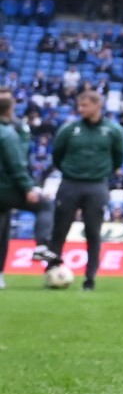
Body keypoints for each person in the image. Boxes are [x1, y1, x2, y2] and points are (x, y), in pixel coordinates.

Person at [46, 87, 123, 292]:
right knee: (59, 231)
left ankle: (90, 279)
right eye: (79, 105)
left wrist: (101, 172)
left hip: (97, 186)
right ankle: (53, 272)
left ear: (98, 106)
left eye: (85, 105)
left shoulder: (113, 130)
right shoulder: (69, 129)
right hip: (70, 184)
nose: (81, 109)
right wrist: (70, 171)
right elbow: (57, 155)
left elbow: (118, 157)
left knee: (93, 232)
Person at [0, 93, 32, 288]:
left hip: (6, 187)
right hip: (7, 186)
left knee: (3, 229)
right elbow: (19, 161)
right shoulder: (11, 131)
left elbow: (20, 157)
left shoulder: (16, 128)